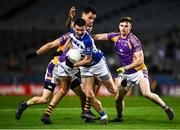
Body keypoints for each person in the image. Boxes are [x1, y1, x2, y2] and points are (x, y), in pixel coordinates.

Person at [15, 6, 98, 122]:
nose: (91, 22)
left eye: (93, 20)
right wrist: (35, 54)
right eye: (90, 18)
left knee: (83, 95)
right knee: (45, 99)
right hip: (56, 66)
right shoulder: (70, 35)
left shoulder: (84, 35)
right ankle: (24, 104)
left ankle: (86, 115)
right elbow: (51, 45)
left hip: (69, 68)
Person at [93, 16, 175, 122]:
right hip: (126, 73)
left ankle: (167, 108)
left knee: (146, 93)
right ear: (119, 26)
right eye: (122, 25)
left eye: (126, 26)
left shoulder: (134, 41)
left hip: (139, 71)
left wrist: (125, 67)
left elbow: (140, 60)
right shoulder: (115, 36)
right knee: (118, 98)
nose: (123, 28)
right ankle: (119, 117)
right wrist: (86, 37)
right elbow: (98, 37)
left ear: (130, 27)